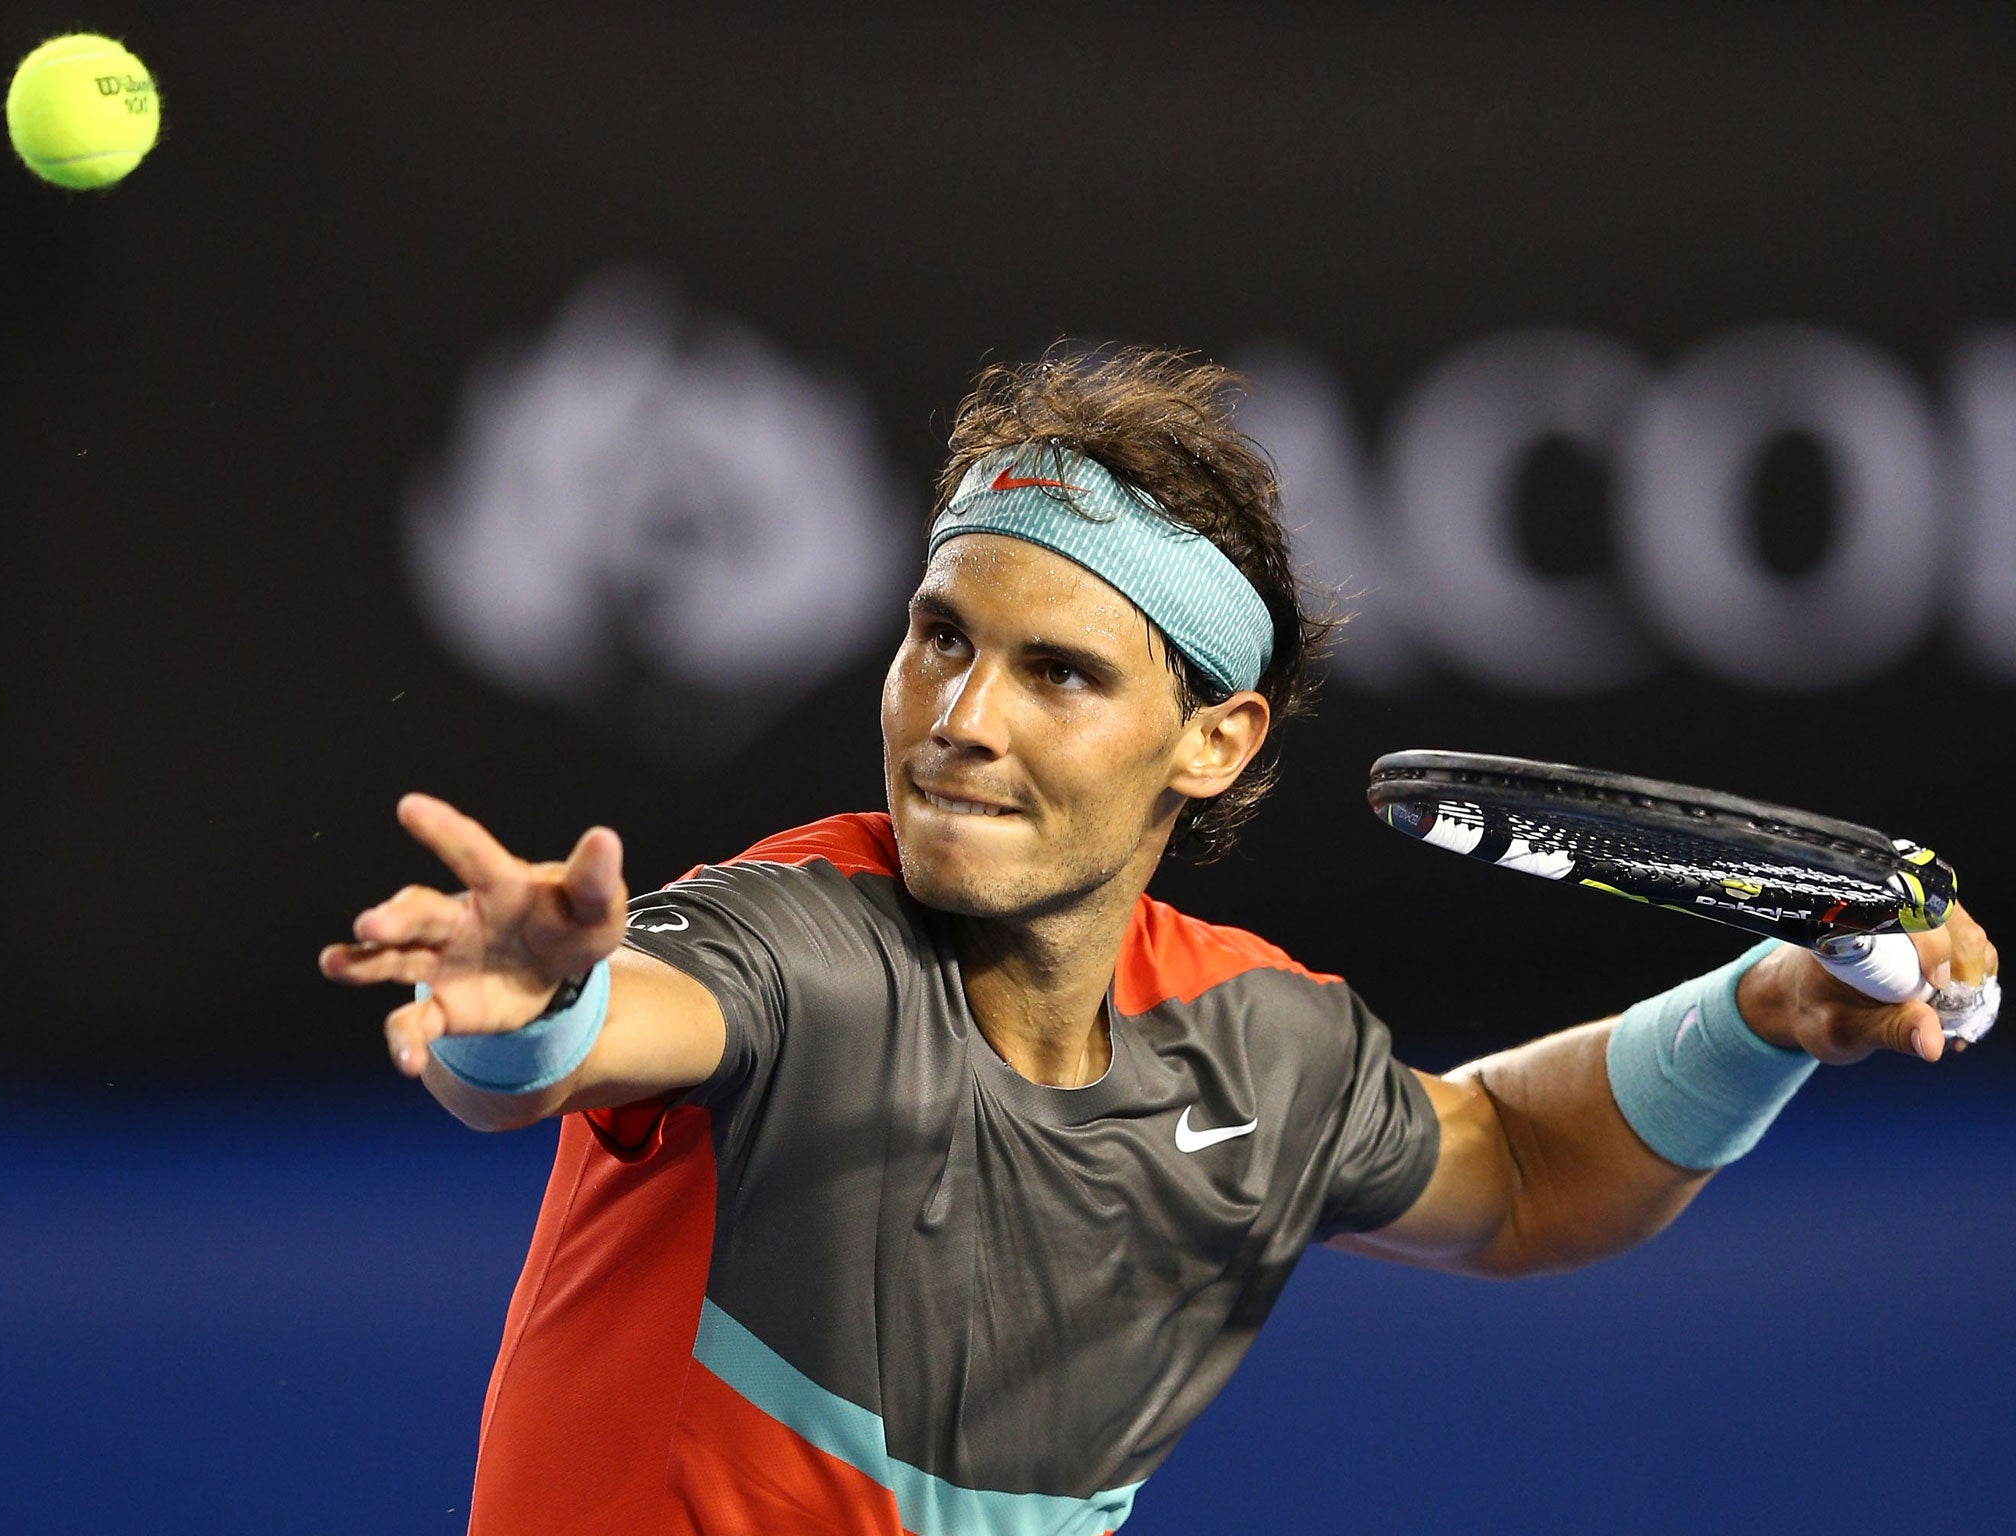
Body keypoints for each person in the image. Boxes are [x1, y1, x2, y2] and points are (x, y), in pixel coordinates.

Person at [321, 349, 1997, 1536]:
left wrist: (1765, 1011)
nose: (957, 720)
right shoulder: (800, 940)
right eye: (937, 638)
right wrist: (528, 1013)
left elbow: (1528, 1171)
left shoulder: (1260, 1048)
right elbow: (612, 1029)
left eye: (1059, 672)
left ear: (1213, 742)